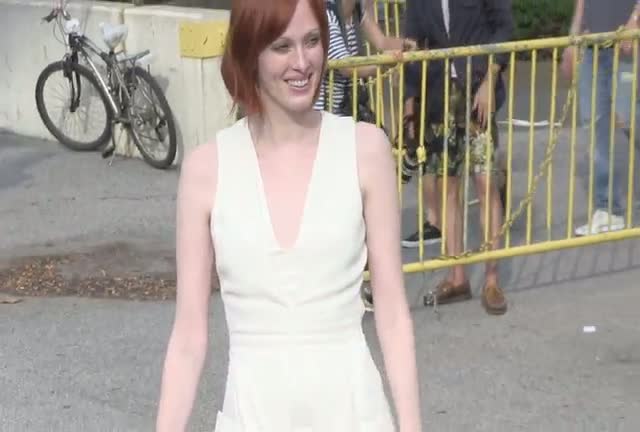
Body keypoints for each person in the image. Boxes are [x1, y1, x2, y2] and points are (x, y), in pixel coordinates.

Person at [154, 0, 422, 430]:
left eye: (312, 41)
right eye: (282, 46)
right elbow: (188, 336)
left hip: (355, 413)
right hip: (254, 414)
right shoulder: (206, 170)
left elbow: (391, 313)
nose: (302, 62)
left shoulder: (365, 149)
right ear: (249, 52)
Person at [401, 0, 514, 315]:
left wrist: (491, 79)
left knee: (486, 183)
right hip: (439, 97)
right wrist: (410, 108)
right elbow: (412, 46)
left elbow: (503, 27)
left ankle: (492, 280)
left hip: (478, 90)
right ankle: (457, 276)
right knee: (447, 186)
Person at [565, 0, 640, 236]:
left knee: (629, 119)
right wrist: (572, 37)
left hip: (628, 42)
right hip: (592, 45)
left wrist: (635, 20)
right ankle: (607, 209)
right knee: (595, 126)